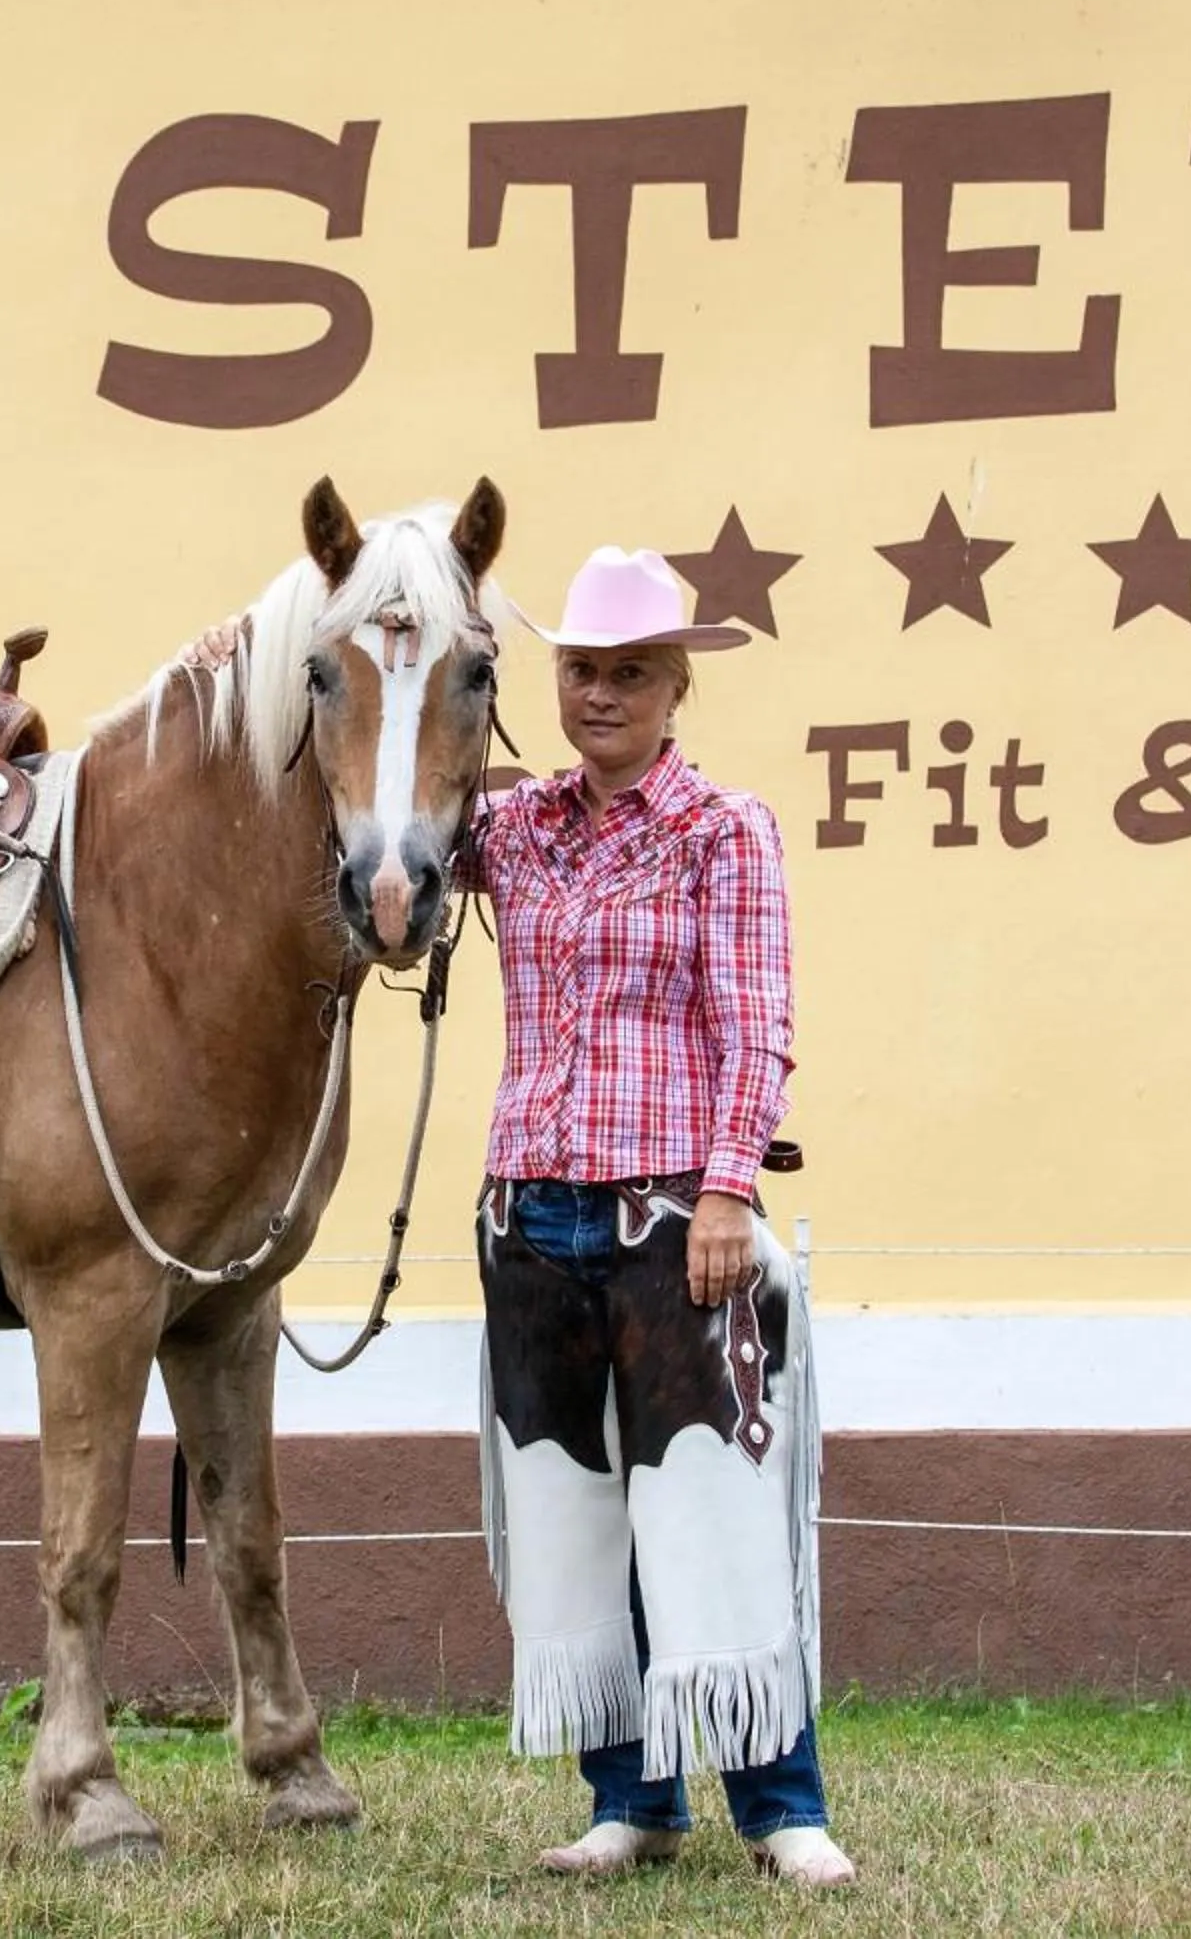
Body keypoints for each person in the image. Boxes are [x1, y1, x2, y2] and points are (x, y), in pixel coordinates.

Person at [467, 545, 850, 1889]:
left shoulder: (722, 831)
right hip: (533, 1213)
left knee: (713, 1506)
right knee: (576, 1513)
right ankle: (629, 1797)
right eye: (581, 668)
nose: (602, 692)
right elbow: (384, 851)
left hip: (673, 1215)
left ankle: (781, 1804)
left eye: (631, 671)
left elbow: (756, 1022)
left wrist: (730, 1186)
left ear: (678, 684)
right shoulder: (513, 830)